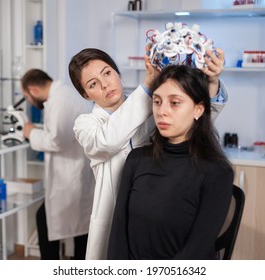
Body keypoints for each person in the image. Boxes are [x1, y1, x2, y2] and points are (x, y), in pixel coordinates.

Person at [68, 47, 227, 259]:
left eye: (107, 73)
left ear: (117, 72)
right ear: (85, 94)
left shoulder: (150, 105)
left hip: (159, 218)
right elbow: (108, 140)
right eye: (93, 84)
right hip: (119, 223)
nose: (105, 84)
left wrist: (213, 81)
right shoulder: (86, 125)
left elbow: (195, 115)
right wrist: (148, 87)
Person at [107, 65, 234, 260]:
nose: (162, 111)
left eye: (175, 103)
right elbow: (118, 235)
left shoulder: (216, 171)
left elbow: (198, 248)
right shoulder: (137, 160)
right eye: (157, 102)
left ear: (198, 109)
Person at [21, 69, 95, 260]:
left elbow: (57, 141)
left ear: (33, 89)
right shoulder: (62, 94)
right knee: (81, 229)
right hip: (75, 172)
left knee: (49, 220)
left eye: (26, 96)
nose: (29, 101)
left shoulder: (59, 100)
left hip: (71, 174)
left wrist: (30, 133)